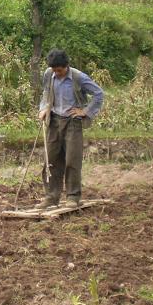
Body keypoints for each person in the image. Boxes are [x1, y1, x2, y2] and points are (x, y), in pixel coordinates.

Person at [36, 49, 104, 209]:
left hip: (72, 122)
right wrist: (43, 108)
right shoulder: (48, 74)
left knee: (72, 160)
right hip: (53, 121)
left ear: (66, 66)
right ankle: (51, 197)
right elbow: (46, 92)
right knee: (50, 160)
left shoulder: (78, 77)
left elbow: (98, 94)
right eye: (54, 70)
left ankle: (73, 196)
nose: (56, 73)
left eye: (59, 70)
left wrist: (85, 111)